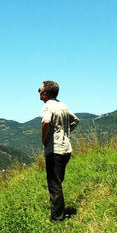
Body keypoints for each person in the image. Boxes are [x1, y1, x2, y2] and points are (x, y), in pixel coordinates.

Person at [38, 80, 80, 221]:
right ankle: (59, 211)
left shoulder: (47, 107)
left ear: (45, 94)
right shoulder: (63, 105)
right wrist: (65, 133)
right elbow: (75, 120)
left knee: (54, 185)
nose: (38, 92)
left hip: (54, 149)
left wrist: (44, 138)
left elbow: (46, 122)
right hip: (66, 148)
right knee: (58, 181)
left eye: (40, 90)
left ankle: (57, 218)